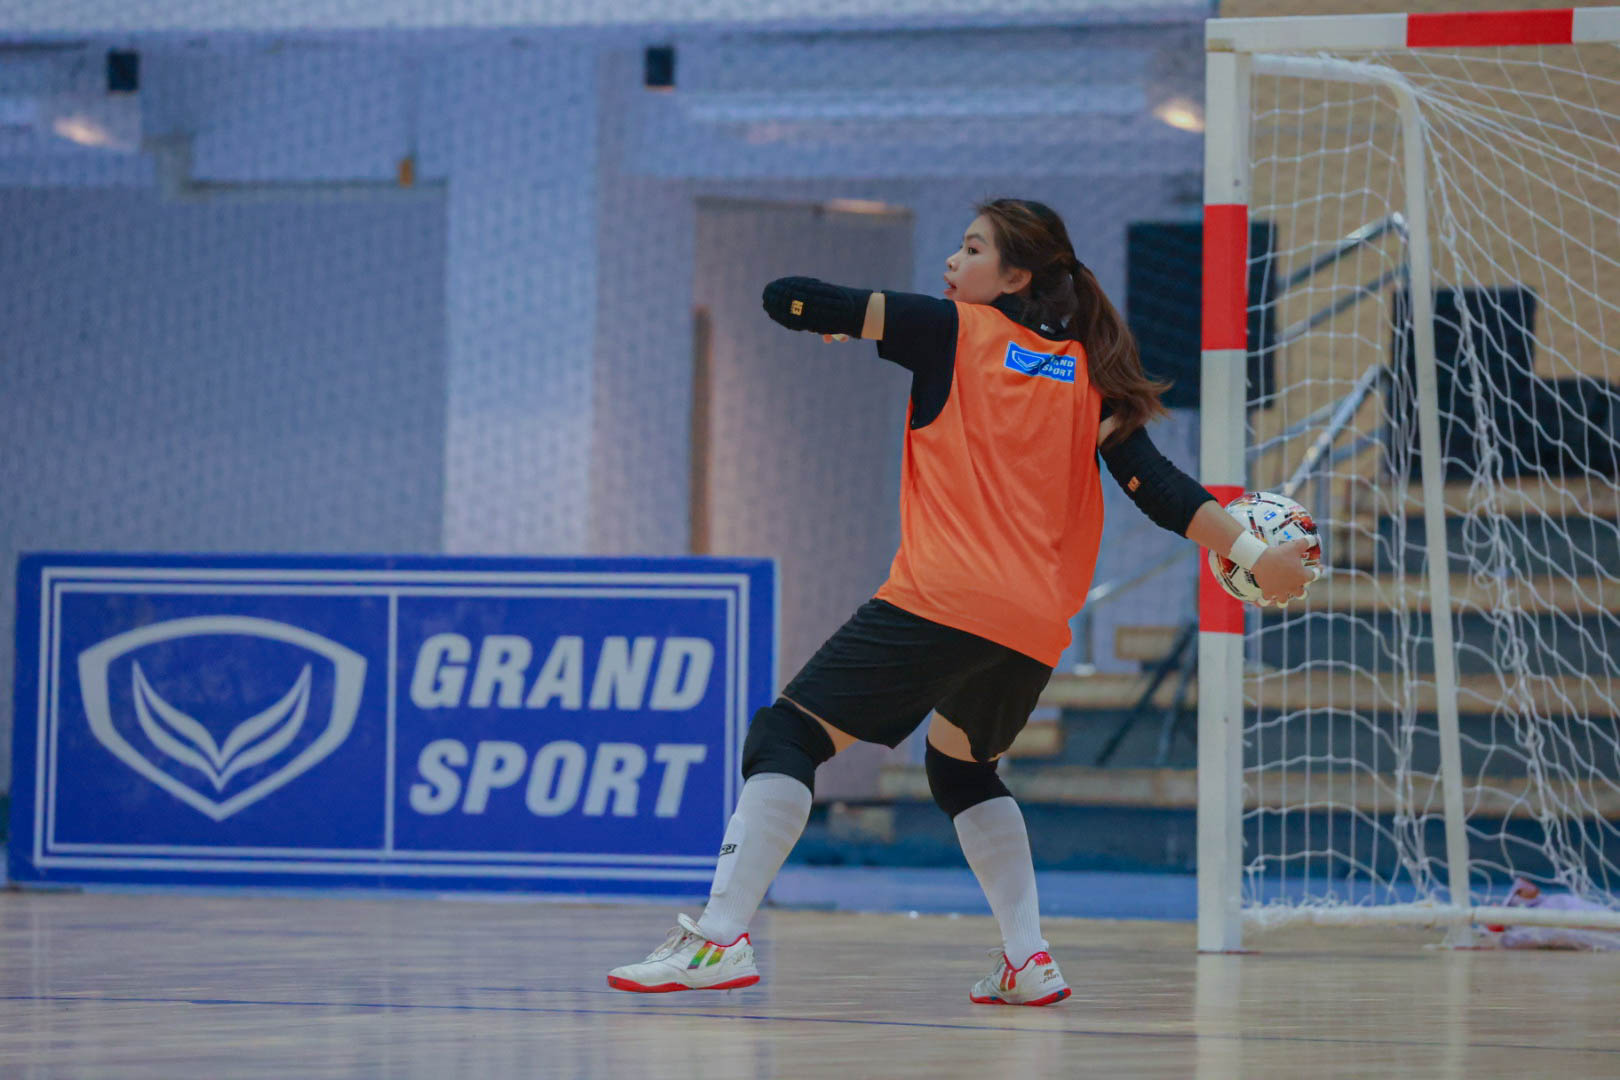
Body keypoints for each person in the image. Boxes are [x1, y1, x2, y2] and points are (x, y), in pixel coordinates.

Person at [606, 197, 1317, 1004]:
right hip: (1034, 625)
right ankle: (1028, 960)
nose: (953, 261)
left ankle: (719, 938)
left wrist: (842, 317)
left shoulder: (947, 328)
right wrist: (1256, 556)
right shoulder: (1087, 375)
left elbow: (784, 297)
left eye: (972, 248)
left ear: (1014, 277)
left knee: (786, 735)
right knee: (961, 769)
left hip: (943, 597)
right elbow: (1159, 488)